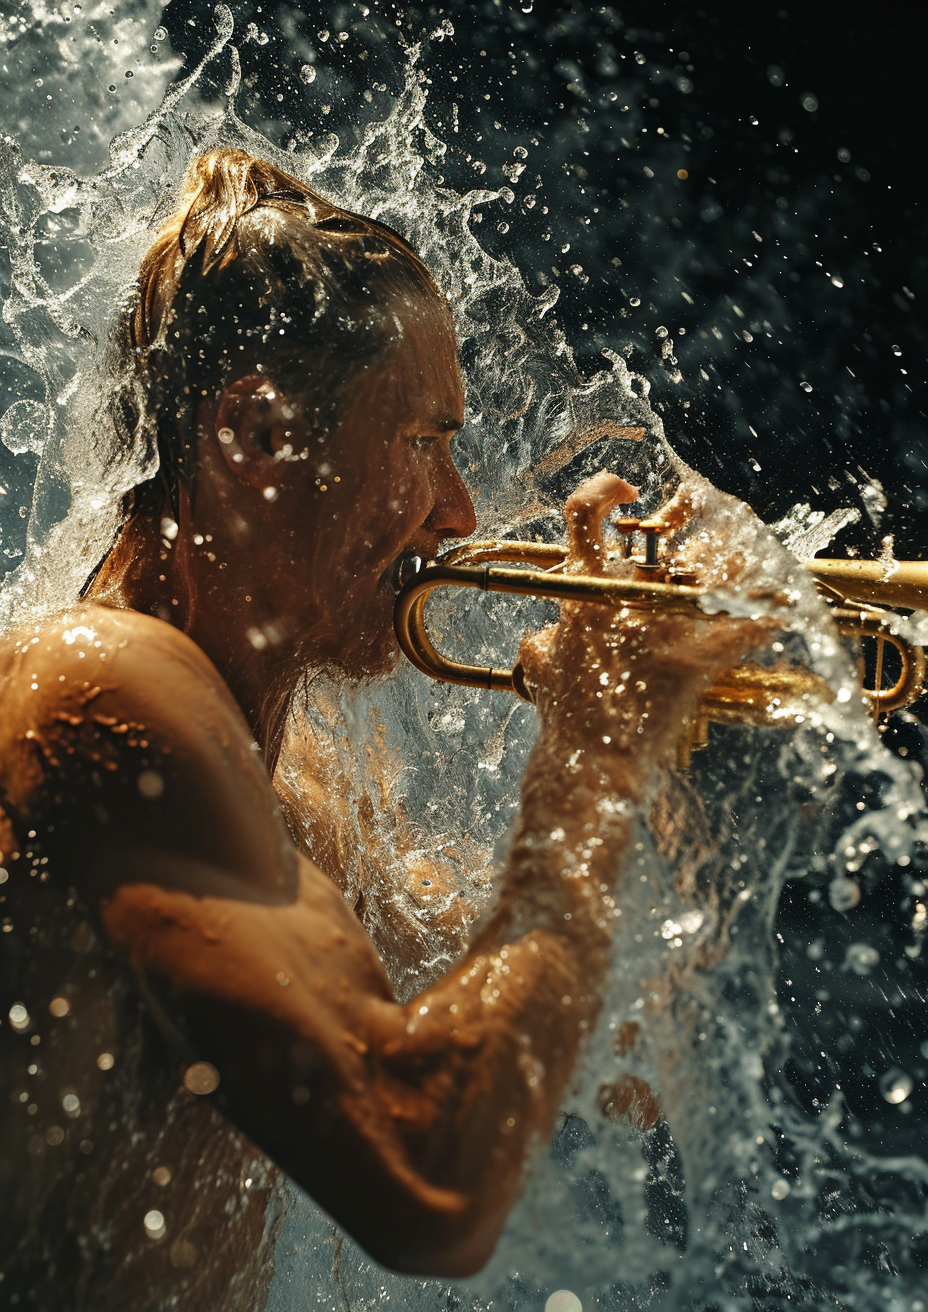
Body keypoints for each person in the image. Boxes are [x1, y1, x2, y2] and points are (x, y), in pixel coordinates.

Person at [0, 149, 759, 1311]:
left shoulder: (291, 791)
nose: (457, 512)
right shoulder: (103, 682)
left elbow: (618, 1062)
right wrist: (591, 752)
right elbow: (426, 1182)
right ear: (253, 431)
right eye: (422, 444)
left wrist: (665, 707)